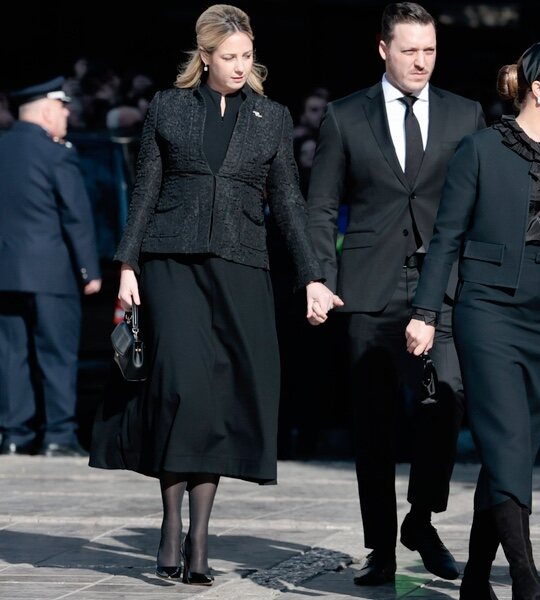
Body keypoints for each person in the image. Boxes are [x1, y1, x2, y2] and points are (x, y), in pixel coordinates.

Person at [88, 4, 327, 586]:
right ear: (205, 57)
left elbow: (290, 203)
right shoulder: (169, 107)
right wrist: (127, 263)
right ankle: (172, 527)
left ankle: (198, 541)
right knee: (182, 388)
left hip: (243, 266)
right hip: (172, 262)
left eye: (247, 56)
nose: (240, 66)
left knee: (220, 399)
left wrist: (313, 274)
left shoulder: (271, 117)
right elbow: (146, 185)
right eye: (229, 57)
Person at [406, 42, 540, 600]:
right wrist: (425, 313)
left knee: (511, 451)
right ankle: (525, 575)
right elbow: (446, 238)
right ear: (538, 89)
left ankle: (476, 580)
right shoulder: (480, 150)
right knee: (506, 441)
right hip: (488, 311)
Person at [306, 2, 485, 586]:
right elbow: (322, 206)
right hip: (368, 287)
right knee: (373, 425)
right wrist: (318, 277)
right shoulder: (344, 117)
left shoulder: (465, 115)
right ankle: (382, 547)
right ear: (382, 48)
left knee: (448, 401)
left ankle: (421, 518)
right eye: (409, 50)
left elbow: (481, 204)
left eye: (429, 49)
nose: (421, 61)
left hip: (444, 287)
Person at [0, 77, 102, 457]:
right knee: (57, 354)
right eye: (63, 109)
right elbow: (76, 216)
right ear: (47, 110)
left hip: (6, 273)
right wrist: (90, 272)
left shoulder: (2, 148)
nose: (67, 116)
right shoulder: (56, 153)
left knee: (11, 354)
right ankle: (58, 435)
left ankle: (14, 436)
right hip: (51, 273)